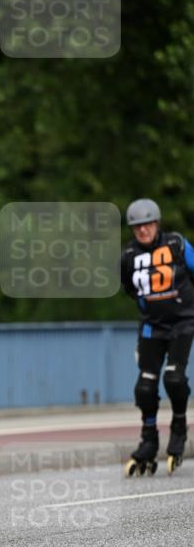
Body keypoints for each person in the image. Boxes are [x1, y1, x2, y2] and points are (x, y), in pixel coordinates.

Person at [120, 198, 194, 474]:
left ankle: (179, 427)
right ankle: (149, 440)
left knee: (174, 378)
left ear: (157, 223)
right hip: (152, 326)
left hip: (183, 323)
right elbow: (130, 288)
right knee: (145, 387)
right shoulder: (128, 256)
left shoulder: (177, 244)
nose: (143, 230)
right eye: (137, 226)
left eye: (147, 224)